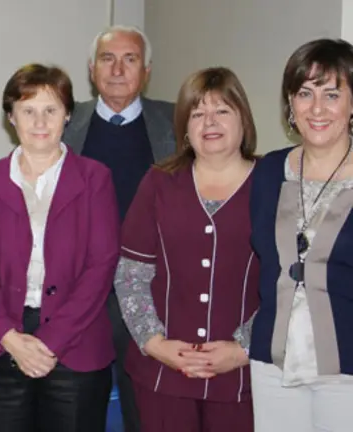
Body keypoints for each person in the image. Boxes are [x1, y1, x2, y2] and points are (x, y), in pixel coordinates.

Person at [0, 64, 120, 431]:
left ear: (67, 114)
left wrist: (50, 342)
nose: (40, 121)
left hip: (76, 344)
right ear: (10, 117)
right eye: (28, 110)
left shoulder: (95, 178)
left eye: (50, 109)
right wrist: (9, 337)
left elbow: (101, 266)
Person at [114, 67, 259, 431]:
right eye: (197, 113)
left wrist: (244, 348)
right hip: (164, 374)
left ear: (243, 118)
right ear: (185, 127)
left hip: (242, 376)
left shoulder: (272, 183)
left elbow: (285, 283)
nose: (209, 121)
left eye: (222, 110)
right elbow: (131, 274)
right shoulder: (159, 183)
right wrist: (155, 343)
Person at [61, 25, 175, 432]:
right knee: (80, 403)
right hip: (80, 289)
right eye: (108, 59)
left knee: (143, 405)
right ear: (92, 69)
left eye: (130, 59)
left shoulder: (179, 120)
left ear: (146, 71)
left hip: (152, 289)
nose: (118, 68)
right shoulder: (63, 122)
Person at [249, 38, 353, 431]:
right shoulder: (269, 171)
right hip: (272, 362)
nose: (318, 108)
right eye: (305, 93)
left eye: (332, 93)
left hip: (346, 368)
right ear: (290, 104)